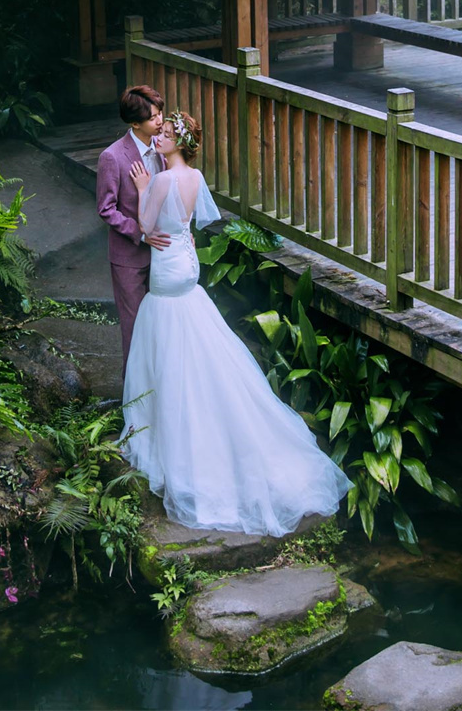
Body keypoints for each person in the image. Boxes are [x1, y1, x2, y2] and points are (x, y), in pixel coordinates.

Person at [122, 110, 351, 536]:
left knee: (167, 337)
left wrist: (140, 189)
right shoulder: (195, 177)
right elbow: (191, 223)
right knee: (196, 338)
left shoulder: (161, 180)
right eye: (161, 133)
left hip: (168, 273)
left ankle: (175, 420)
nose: (159, 139)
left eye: (167, 135)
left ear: (180, 142)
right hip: (187, 265)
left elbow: (146, 224)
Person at [95, 84, 172, 363]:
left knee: (162, 325)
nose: (160, 121)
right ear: (134, 123)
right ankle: (133, 396)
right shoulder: (112, 157)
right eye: (153, 118)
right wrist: (140, 234)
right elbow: (106, 209)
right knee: (135, 327)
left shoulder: (163, 148)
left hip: (163, 254)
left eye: (160, 113)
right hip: (129, 257)